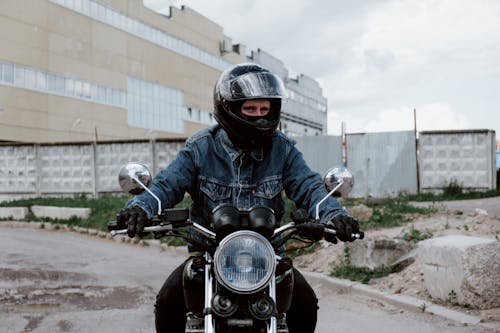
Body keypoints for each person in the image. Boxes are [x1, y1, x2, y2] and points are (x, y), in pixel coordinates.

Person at [117, 63, 360, 333]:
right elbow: (166, 184)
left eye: (264, 109)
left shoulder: (283, 149)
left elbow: (308, 185)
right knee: (167, 302)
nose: (259, 117)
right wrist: (140, 207)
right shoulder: (200, 148)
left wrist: (334, 215)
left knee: (304, 303)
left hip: (268, 257)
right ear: (228, 108)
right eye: (250, 109)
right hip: (208, 255)